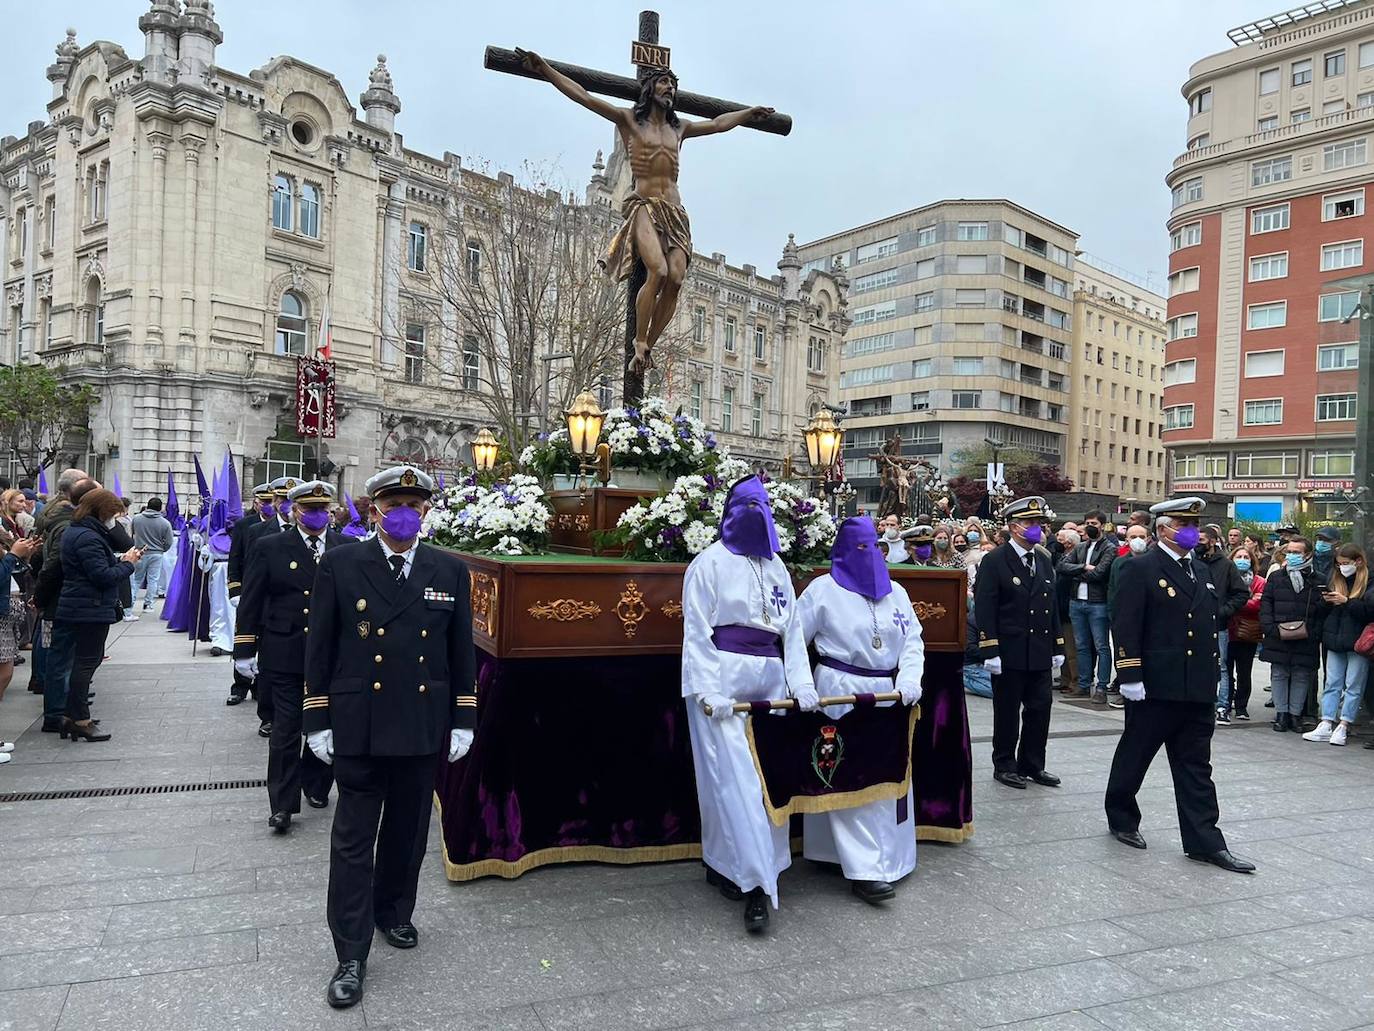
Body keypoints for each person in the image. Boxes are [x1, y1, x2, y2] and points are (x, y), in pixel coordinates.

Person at [301, 466, 476, 1009]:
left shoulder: (448, 569)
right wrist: (316, 717)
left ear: (426, 511)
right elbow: (322, 646)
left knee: (408, 832)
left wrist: (464, 718)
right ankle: (350, 951)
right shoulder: (340, 564)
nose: (404, 514)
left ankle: (394, 912)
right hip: (360, 723)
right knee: (352, 842)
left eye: (415, 505)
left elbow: (459, 652)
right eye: (393, 504)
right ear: (373, 510)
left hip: (421, 723)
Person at [681, 475, 816, 932]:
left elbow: (792, 632)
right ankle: (756, 885)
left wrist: (801, 683)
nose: (756, 514)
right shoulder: (708, 564)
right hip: (721, 684)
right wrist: (708, 691)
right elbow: (696, 632)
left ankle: (743, 867)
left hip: (771, 683)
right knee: (731, 782)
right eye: (747, 505)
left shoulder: (777, 567)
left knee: (766, 782)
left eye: (764, 505)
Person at [1105, 497, 1255, 874]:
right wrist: (1130, 674)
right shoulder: (1139, 568)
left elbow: (1206, 620)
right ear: (1163, 530)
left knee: (1196, 767)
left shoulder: (1201, 569)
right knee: (1135, 755)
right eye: (1183, 524)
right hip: (1155, 685)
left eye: (1194, 524)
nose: (1192, 531)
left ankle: (1205, 842)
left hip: (1196, 687)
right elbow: (1125, 623)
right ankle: (1121, 815)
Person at [796, 517, 923, 903]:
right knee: (849, 774)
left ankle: (877, 856)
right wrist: (801, 684)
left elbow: (913, 639)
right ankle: (865, 869)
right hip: (840, 690)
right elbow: (792, 642)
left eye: (875, 546)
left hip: (887, 694)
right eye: (860, 547)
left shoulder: (896, 593)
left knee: (885, 775)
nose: (869, 555)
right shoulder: (822, 591)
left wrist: (910, 679)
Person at [235, 481, 347, 830]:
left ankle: (315, 784)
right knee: (286, 731)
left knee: (329, 723)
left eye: (322, 510)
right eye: (308, 509)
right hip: (285, 651)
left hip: (332, 655)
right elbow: (252, 599)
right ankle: (282, 803)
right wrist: (244, 647)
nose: (316, 516)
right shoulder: (271, 546)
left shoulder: (346, 546)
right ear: (294, 510)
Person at [973, 496, 1065, 790]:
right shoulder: (995, 560)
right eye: (1030, 523)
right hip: (1009, 650)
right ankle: (1004, 764)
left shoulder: (1042, 559)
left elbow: (1051, 605)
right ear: (1014, 527)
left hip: (1038, 649)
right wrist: (990, 648)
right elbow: (986, 607)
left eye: (1038, 523)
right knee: (1008, 712)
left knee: (1040, 709)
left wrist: (1058, 646)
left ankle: (1032, 764)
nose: (1036, 528)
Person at [56, 488, 139, 743]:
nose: (115, 519)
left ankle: (71, 716)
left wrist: (120, 559)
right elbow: (101, 577)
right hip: (89, 607)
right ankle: (81, 719)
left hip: (82, 604)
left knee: (85, 661)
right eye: (113, 514)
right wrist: (128, 564)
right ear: (102, 511)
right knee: (86, 663)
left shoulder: (82, 532)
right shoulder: (88, 537)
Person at [33, 470, 94, 733]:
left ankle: (62, 707)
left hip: (59, 596)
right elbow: (53, 564)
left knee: (60, 655)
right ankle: (56, 712)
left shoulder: (55, 516)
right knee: (60, 657)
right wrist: (41, 596)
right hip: (61, 597)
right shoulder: (68, 524)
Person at [236, 477, 298, 735]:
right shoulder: (256, 531)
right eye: (281, 499)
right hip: (266, 608)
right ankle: (268, 715)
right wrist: (237, 591)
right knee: (269, 668)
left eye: (290, 500)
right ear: (273, 501)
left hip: (299, 614)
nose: (285, 504)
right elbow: (243, 565)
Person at [1304, 544, 1373, 746]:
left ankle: (1344, 724)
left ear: (1358, 561)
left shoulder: (1369, 581)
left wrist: (1346, 601)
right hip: (1334, 638)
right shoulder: (1335, 578)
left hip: (1358, 641)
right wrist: (1326, 601)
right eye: (1339, 564)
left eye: (1346, 563)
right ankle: (1326, 721)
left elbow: (1369, 611)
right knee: (1332, 683)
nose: (1342, 567)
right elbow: (1320, 610)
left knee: (1353, 684)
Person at [1258, 537, 1327, 733]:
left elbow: (1323, 609)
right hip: (1278, 633)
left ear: (1308, 555)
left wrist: (1314, 632)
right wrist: (1269, 627)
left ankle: (1296, 715)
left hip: (1306, 635)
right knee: (1279, 673)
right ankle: (1281, 714)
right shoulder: (1277, 577)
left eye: (1297, 552)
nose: (1292, 556)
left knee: (1301, 674)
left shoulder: (1318, 579)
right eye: (1290, 552)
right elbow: (1266, 603)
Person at [224, 482, 275, 708]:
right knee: (246, 639)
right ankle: (240, 687)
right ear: (256, 502)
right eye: (264, 501)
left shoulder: (282, 526)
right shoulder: (245, 525)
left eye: (270, 501)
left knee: (268, 645)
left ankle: (260, 688)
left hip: (272, 594)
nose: (268, 505)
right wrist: (235, 589)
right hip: (248, 590)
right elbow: (235, 559)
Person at [1059, 510, 1117, 704]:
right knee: (1081, 645)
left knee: (1101, 646)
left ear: (1102, 525)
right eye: (1087, 522)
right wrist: (1083, 568)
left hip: (1098, 602)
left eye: (1094, 522)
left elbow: (1100, 574)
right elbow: (1062, 566)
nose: (1090, 526)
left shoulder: (1109, 547)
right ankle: (1084, 685)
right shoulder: (1080, 547)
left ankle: (1101, 686)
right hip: (1076, 601)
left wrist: (1077, 572)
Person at [1196, 525, 1248, 725]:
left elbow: (1241, 593)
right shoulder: (1191, 561)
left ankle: (1222, 706)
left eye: (1201, 540)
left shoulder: (1226, 565)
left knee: (1222, 667)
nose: (1197, 544)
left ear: (1212, 541)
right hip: (1194, 623)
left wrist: (1223, 611)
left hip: (1218, 625)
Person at [0, 532, 39, 762]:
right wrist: (13, 554)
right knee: (4, 673)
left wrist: (22, 555)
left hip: (5, 617)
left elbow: (11, 574)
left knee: (5, 673)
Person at [1225, 545, 1265, 723]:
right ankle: (1225, 702)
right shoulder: (1225, 578)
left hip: (1248, 631)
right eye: (1238, 556)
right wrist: (1246, 600)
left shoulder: (1259, 581)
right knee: (1225, 670)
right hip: (1227, 630)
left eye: (1246, 557)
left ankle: (1241, 706)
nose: (1242, 560)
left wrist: (1234, 603)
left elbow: (1258, 605)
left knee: (1244, 671)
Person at [130, 497, 173, 612]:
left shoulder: (136, 519)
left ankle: (130, 603)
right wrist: (162, 549)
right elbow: (169, 541)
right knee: (153, 580)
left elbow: (131, 534)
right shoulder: (165, 523)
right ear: (160, 508)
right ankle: (148, 604)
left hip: (139, 552)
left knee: (136, 579)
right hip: (157, 553)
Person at [1052, 527, 1080, 693]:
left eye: (1060, 539)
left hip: (1069, 609)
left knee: (1071, 649)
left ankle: (1074, 681)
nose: (1058, 543)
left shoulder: (1074, 559)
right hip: (1060, 608)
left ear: (1069, 543)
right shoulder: (1062, 557)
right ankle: (1065, 679)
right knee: (1061, 646)